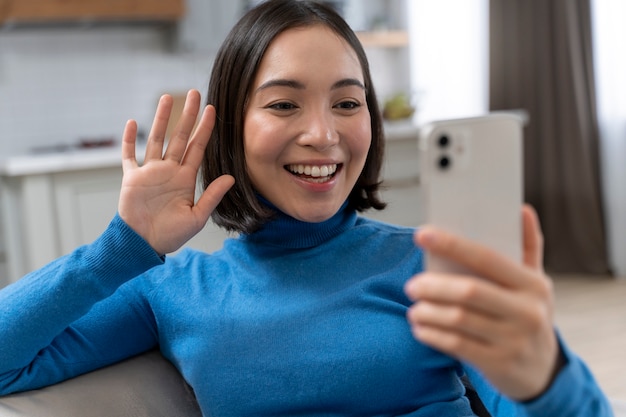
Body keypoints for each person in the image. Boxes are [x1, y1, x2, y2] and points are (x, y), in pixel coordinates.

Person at [0, 1, 613, 416]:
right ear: (230, 130)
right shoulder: (172, 289)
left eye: (347, 104)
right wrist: (122, 247)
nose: (323, 134)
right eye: (285, 105)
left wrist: (545, 373)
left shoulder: (432, 264)